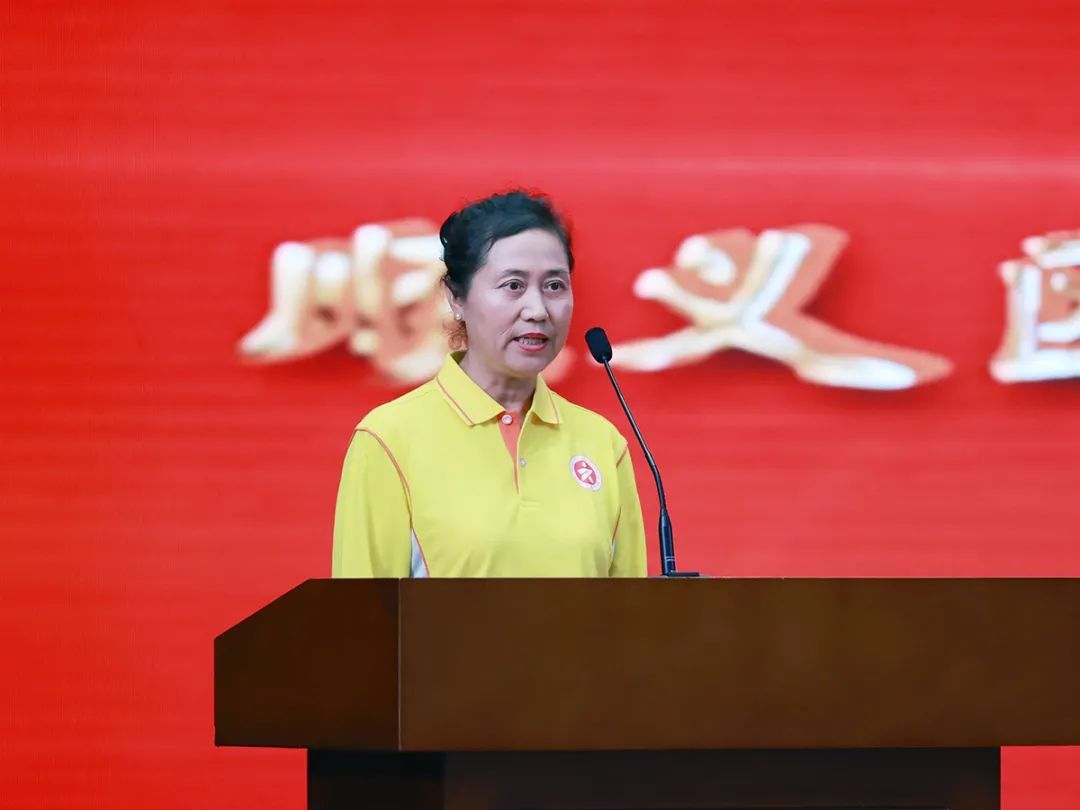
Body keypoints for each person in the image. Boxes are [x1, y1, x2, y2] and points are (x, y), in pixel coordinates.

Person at [332, 190, 647, 577]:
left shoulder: (603, 443)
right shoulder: (388, 438)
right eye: (513, 285)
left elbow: (630, 608)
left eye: (554, 286)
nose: (537, 310)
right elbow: (360, 610)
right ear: (456, 298)